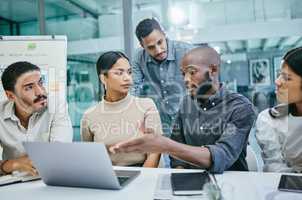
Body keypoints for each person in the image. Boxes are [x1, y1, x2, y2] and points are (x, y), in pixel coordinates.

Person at [110, 47, 256, 174]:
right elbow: (176, 150)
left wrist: (165, 145)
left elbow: (221, 156)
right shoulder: (187, 103)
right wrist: (179, 176)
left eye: (192, 72)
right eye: (183, 73)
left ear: (213, 70)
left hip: (230, 184)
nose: (185, 79)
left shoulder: (240, 107)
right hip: (191, 183)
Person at [81, 51, 162, 168]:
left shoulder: (146, 106)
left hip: (144, 174)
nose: (127, 78)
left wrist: (142, 180)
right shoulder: (90, 115)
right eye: (119, 73)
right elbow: (89, 155)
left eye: (129, 72)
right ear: (103, 78)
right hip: (107, 175)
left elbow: (155, 151)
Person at [0, 61, 73, 176]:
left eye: (41, 83)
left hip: (51, 178)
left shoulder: (56, 105)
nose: (40, 92)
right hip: (13, 183)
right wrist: (14, 164)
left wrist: (8, 164)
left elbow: (60, 153)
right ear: (10, 96)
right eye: (29, 87)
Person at [132, 18, 193, 136]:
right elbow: (133, 87)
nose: (158, 50)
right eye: (151, 47)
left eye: (160, 42)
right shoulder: (139, 58)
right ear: (142, 45)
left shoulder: (188, 52)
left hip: (190, 120)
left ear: (164, 34)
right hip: (161, 123)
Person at [255, 47, 302, 173]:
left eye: (287, 78)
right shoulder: (269, 119)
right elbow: (274, 167)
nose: (277, 82)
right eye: (279, 75)